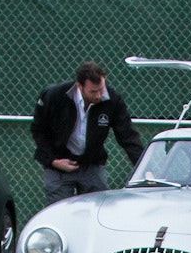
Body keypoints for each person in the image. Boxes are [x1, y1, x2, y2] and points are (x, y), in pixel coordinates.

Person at [30, 62, 143, 202]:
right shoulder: (55, 96)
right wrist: (53, 160)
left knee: (98, 209)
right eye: (93, 92)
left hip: (92, 163)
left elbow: (128, 136)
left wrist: (144, 167)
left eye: (101, 89)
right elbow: (39, 130)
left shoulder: (112, 100)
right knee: (60, 212)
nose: (99, 95)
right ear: (79, 86)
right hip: (59, 163)